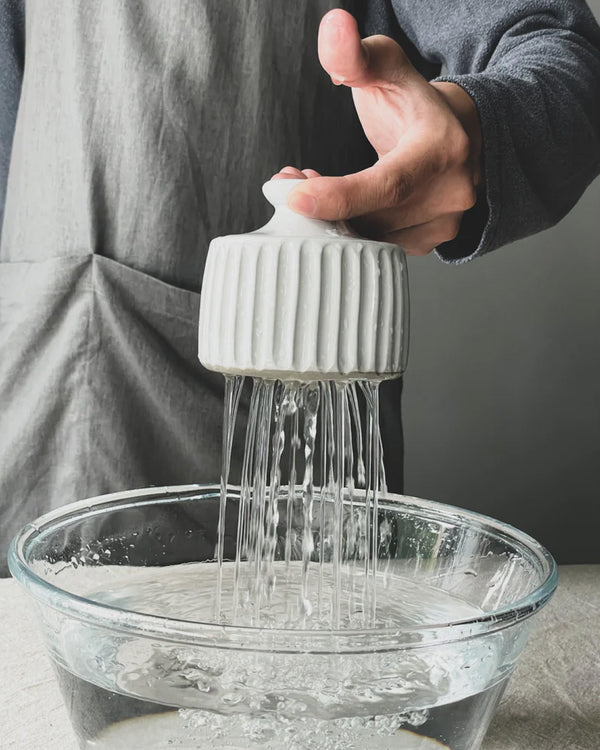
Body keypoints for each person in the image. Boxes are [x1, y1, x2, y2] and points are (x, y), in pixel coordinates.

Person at [0, 1, 599, 575]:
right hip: (23, 388)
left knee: (285, 658)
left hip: (293, 406)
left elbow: (559, 52)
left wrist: (473, 130)